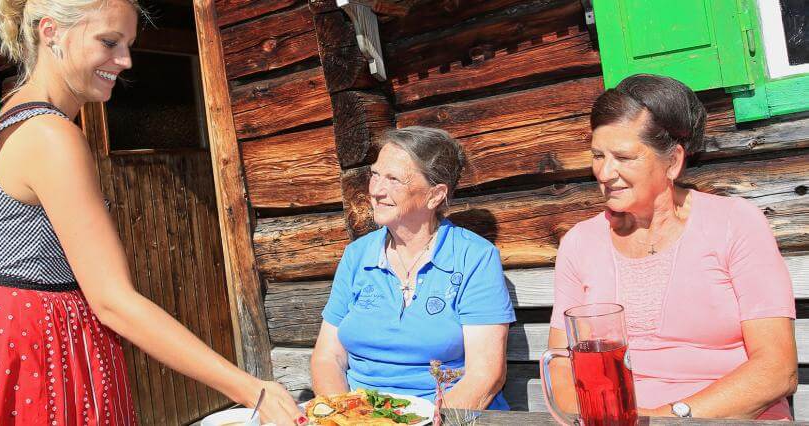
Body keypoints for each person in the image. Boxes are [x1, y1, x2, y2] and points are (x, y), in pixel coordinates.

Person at [0, 0, 304, 424]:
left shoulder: (9, 120)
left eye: (128, 44)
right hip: (41, 345)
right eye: (109, 42)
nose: (125, 60)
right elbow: (113, 301)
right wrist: (250, 389)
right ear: (51, 32)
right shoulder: (50, 135)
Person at [547, 74, 797, 420]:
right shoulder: (580, 242)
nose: (604, 172)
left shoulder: (734, 224)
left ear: (673, 161)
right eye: (598, 155)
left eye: (623, 157)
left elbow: (777, 368)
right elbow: (561, 364)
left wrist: (665, 418)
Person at [310, 126, 516, 410]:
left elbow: (486, 376)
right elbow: (328, 357)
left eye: (393, 179)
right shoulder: (357, 255)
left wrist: (430, 421)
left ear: (435, 195)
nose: (375, 190)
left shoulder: (474, 257)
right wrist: (346, 414)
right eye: (375, 175)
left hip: (444, 415)